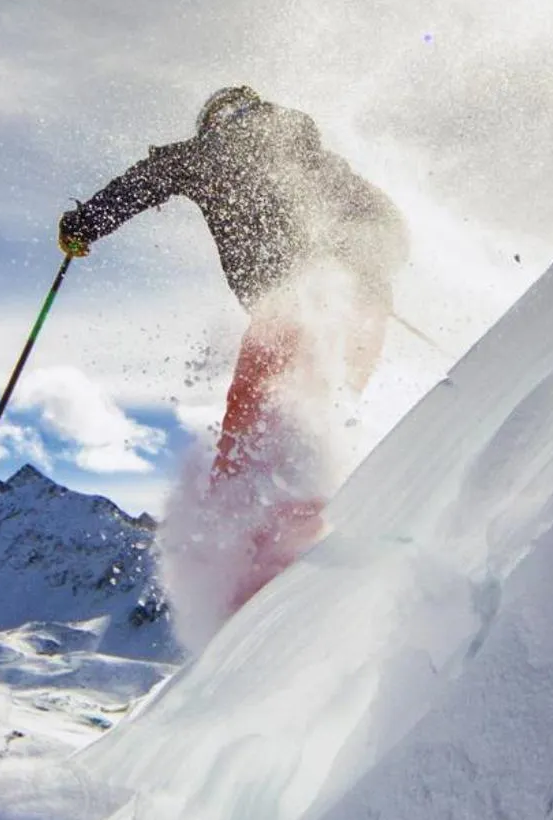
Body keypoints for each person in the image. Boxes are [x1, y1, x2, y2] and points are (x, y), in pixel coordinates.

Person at [58, 87, 407, 612]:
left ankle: (257, 575)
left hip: (294, 307)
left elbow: (146, 179)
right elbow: (388, 223)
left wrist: (84, 225)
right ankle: (320, 529)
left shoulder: (212, 152)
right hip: (362, 311)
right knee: (322, 414)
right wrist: (366, 270)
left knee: (255, 427)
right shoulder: (316, 156)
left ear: (215, 122)